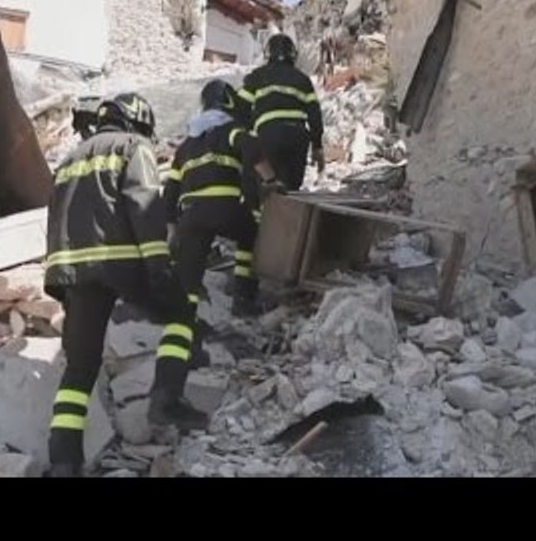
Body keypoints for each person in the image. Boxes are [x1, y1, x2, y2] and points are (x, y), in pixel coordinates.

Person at [44, 92, 207, 478]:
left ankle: (64, 461)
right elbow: (144, 205)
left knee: (79, 370)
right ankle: (166, 396)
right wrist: (160, 268)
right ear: (138, 122)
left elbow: (54, 219)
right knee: (182, 310)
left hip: (72, 271)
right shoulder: (133, 147)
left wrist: (59, 284)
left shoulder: (68, 159)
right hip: (119, 263)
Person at [164, 80, 283, 322]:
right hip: (224, 208)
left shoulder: (186, 146)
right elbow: (252, 148)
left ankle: (184, 321)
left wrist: (172, 228)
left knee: (190, 272)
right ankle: (243, 298)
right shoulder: (230, 130)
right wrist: (271, 180)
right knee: (250, 235)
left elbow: (170, 190)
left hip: (191, 215)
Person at [236, 33, 325, 191]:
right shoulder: (303, 80)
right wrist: (317, 146)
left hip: (269, 135)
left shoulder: (257, 76)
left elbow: (240, 107)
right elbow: (314, 114)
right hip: (298, 138)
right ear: (293, 54)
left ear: (268, 53)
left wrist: (250, 133)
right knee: (291, 190)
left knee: (268, 187)